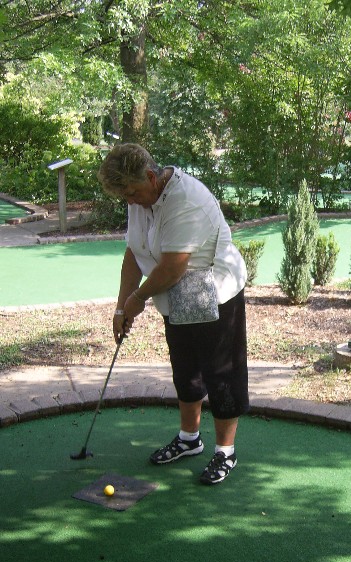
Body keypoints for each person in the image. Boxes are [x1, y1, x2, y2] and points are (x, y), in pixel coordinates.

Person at [98, 144, 249, 485]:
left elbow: (172, 267)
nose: (131, 201)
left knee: (222, 373)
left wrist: (138, 299)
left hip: (216, 291)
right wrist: (121, 307)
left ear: (151, 177)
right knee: (185, 368)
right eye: (126, 197)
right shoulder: (140, 198)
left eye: (133, 193)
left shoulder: (186, 200)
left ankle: (225, 451)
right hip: (176, 295)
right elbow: (134, 253)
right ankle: (189, 439)